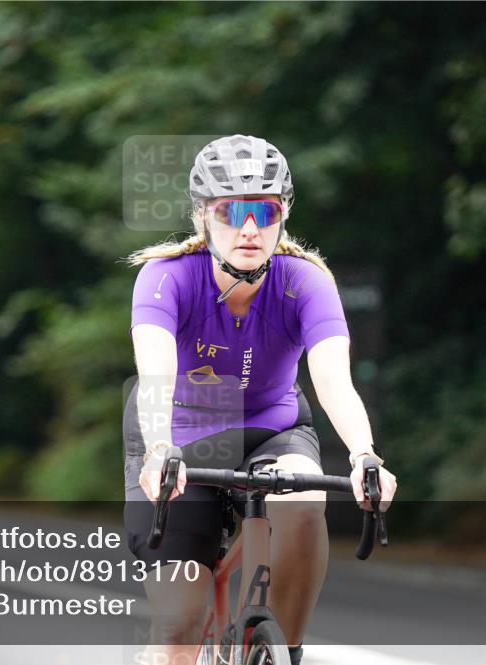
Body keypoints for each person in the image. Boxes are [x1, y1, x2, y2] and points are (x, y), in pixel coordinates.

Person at [123, 134, 398, 665]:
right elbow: (154, 377)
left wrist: (365, 455)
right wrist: (158, 449)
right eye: (232, 212)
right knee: (178, 625)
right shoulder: (165, 278)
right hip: (178, 437)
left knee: (301, 502)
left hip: (272, 429)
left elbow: (334, 380)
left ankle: (282, 653)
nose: (249, 229)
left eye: (265, 212)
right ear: (203, 215)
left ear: (283, 214)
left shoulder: (307, 282)